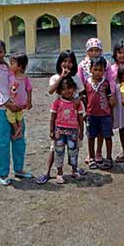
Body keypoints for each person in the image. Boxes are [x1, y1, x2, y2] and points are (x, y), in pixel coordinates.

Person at [0, 39, 31, 186]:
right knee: (3, 142)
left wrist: (23, 101)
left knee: (19, 138)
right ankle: (3, 174)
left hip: (17, 109)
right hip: (1, 109)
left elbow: (20, 82)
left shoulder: (9, 67)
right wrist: (7, 103)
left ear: (5, 52)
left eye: (0, 52)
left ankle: (19, 169)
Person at [36, 50, 84, 185]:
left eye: (70, 62)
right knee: (55, 148)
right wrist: (61, 77)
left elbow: (82, 93)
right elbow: (51, 90)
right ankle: (48, 172)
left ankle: (74, 169)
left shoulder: (76, 78)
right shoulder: (55, 77)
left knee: (74, 147)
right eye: (65, 61)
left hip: (74, 118)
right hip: (60, 120)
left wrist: (78, 100)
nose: (67, 64)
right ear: (60, 62)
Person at [78, 38, 115, 165]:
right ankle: (91, 155)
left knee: (103, 134)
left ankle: (101, 154)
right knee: (91, 135)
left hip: (104, 110)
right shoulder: (82, 65)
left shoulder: (106, 65)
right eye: (91, 50)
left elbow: (110, 81)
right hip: (90, 110)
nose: (94, 52)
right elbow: (80, 87)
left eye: (97, 50)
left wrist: (112, 98)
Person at [50, 75, 85, 183]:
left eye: (69, 88)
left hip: (73, 132)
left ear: (74, 89)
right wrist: (51, 130)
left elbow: (80, 118)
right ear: (59, 91)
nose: (67, 91)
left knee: (73, 152)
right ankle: (59, 173)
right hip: (59, 132)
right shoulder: (57, 102)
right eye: (63, 89)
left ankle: (74, 171)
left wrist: (81, 132)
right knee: (59, 152)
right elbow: (53, 117)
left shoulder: (77, 103)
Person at [85, 56, 116, 170]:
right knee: (91, 137)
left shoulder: (106, 83)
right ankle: (92, 158)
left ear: (104, 71)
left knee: (107, 136)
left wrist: (111, 114)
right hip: (91, 115)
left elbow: (110, 100)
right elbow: (84, 98)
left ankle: (108, 158)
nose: (98, 72)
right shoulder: (86, 83)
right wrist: (85, 112)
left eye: (100, 70)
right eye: (95, 69)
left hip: (105, 115)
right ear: (90, 70)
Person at [7, 54, 32, 140]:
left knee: (10, 116)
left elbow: (29, 89)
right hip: (22, 103)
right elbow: (29, 90)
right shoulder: (25, 78)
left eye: (12, 63)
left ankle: (16, 129)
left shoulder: (11, 76)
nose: (10, 66)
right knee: (19, 117)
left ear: (19, 66)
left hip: (14, 102)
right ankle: (20, 131)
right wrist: (28, 102)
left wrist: (29, 102)